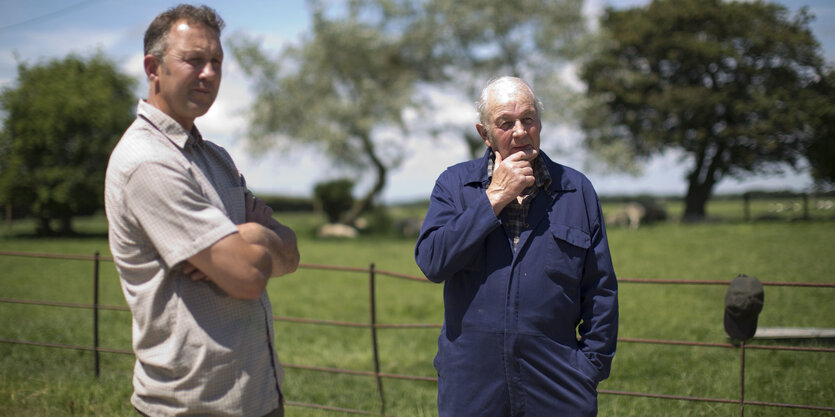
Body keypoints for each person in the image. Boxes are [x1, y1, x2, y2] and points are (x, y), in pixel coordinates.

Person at [104, 4, 299, 416]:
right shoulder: (149, 162)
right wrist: (257, 242)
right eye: (194, 60)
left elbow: (291, 255)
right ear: (153, 67)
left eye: (216, 61)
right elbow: (247, 277)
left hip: (257, 396)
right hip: (192, 405)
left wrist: (249, 239)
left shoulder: (216, 158)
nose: (209, 73)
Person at [415, 76, 618, 416]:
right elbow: (433, 262)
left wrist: (589, 368)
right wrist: (495, 197)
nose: (520, 131)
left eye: (528, 119)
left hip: (560, 383)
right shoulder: (455, 184)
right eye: (506, 123)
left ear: (540, 122)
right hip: (471, 385)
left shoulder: (576, 189)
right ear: (485, 134)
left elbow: (600, 289)